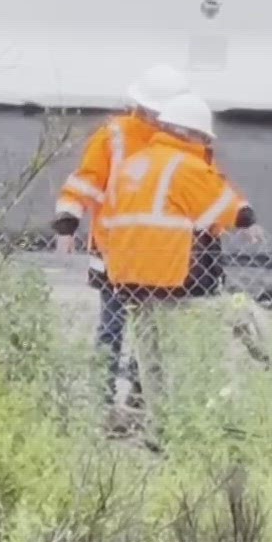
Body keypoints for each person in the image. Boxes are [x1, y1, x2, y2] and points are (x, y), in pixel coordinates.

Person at [96, 92, 256, 411]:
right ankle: (183, 420)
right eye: (201, 135)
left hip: (127, 278)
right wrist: (248, 216)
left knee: (150, 356)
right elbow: (223, 212)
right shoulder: (185, 165)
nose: (203, 141)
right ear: (188, 133)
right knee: (187, 350)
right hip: (171, 279)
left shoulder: (134, 163)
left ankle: (157, 427)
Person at [52, 64, 192, 399]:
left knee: (153, 328)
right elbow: (87, 180)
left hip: (160, 254)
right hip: (116, 251)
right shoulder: (115, 136)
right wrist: (68, 222)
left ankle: (141, 391)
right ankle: (103, 393)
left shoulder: (183, 138)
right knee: (114, 324)